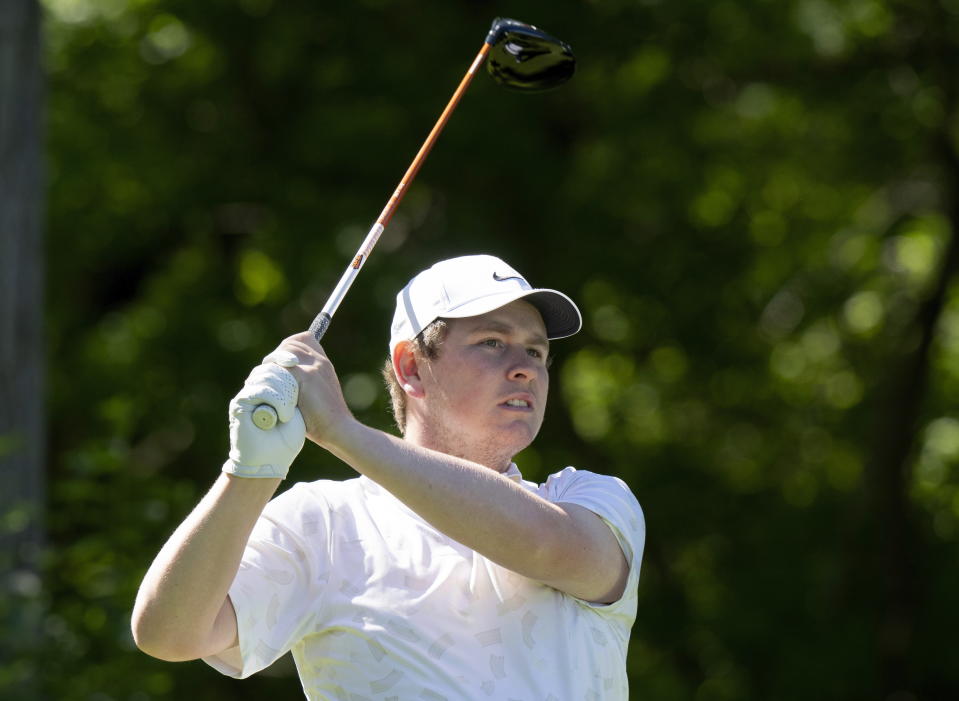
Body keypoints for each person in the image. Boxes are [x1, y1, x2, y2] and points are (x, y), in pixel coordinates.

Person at [132, 254, 645, 700]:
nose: (525, 368)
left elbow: (545, 547)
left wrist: (340, 431)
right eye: (493, 343)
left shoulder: (589, 499)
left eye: (536, 351)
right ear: (411, 367)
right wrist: (250, 471)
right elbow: (169, 633)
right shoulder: (324, 523)